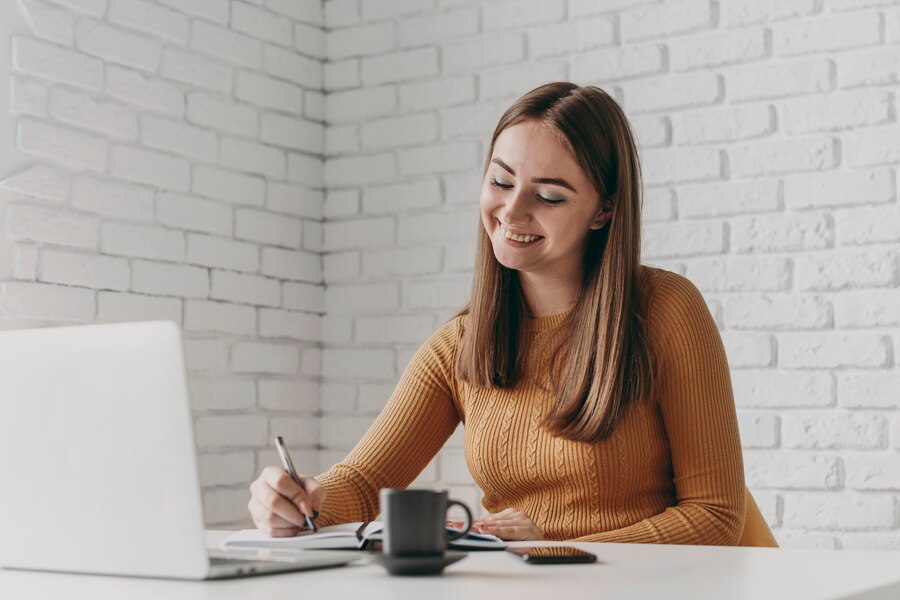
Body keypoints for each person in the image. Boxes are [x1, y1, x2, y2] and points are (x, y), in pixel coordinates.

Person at [247, 82, 778, 546]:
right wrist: (303, 501)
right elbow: (364, 482)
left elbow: (715, 517)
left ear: (605, 210)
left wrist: (554, 547)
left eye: (548, 196)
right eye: (501, 182)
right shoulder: (459, 344)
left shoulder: (665, 310)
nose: (512, 211)